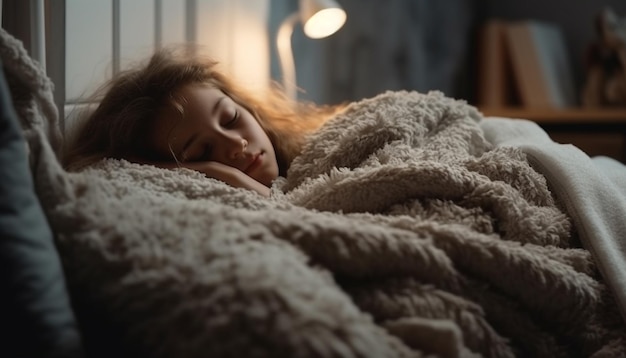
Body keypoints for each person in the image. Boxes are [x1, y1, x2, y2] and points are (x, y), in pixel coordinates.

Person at [64, 48, 340, 196]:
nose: (236, 144)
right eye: (202, 152)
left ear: (247, 107)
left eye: (231, 119)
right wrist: (226, 175)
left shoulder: (330, 148)